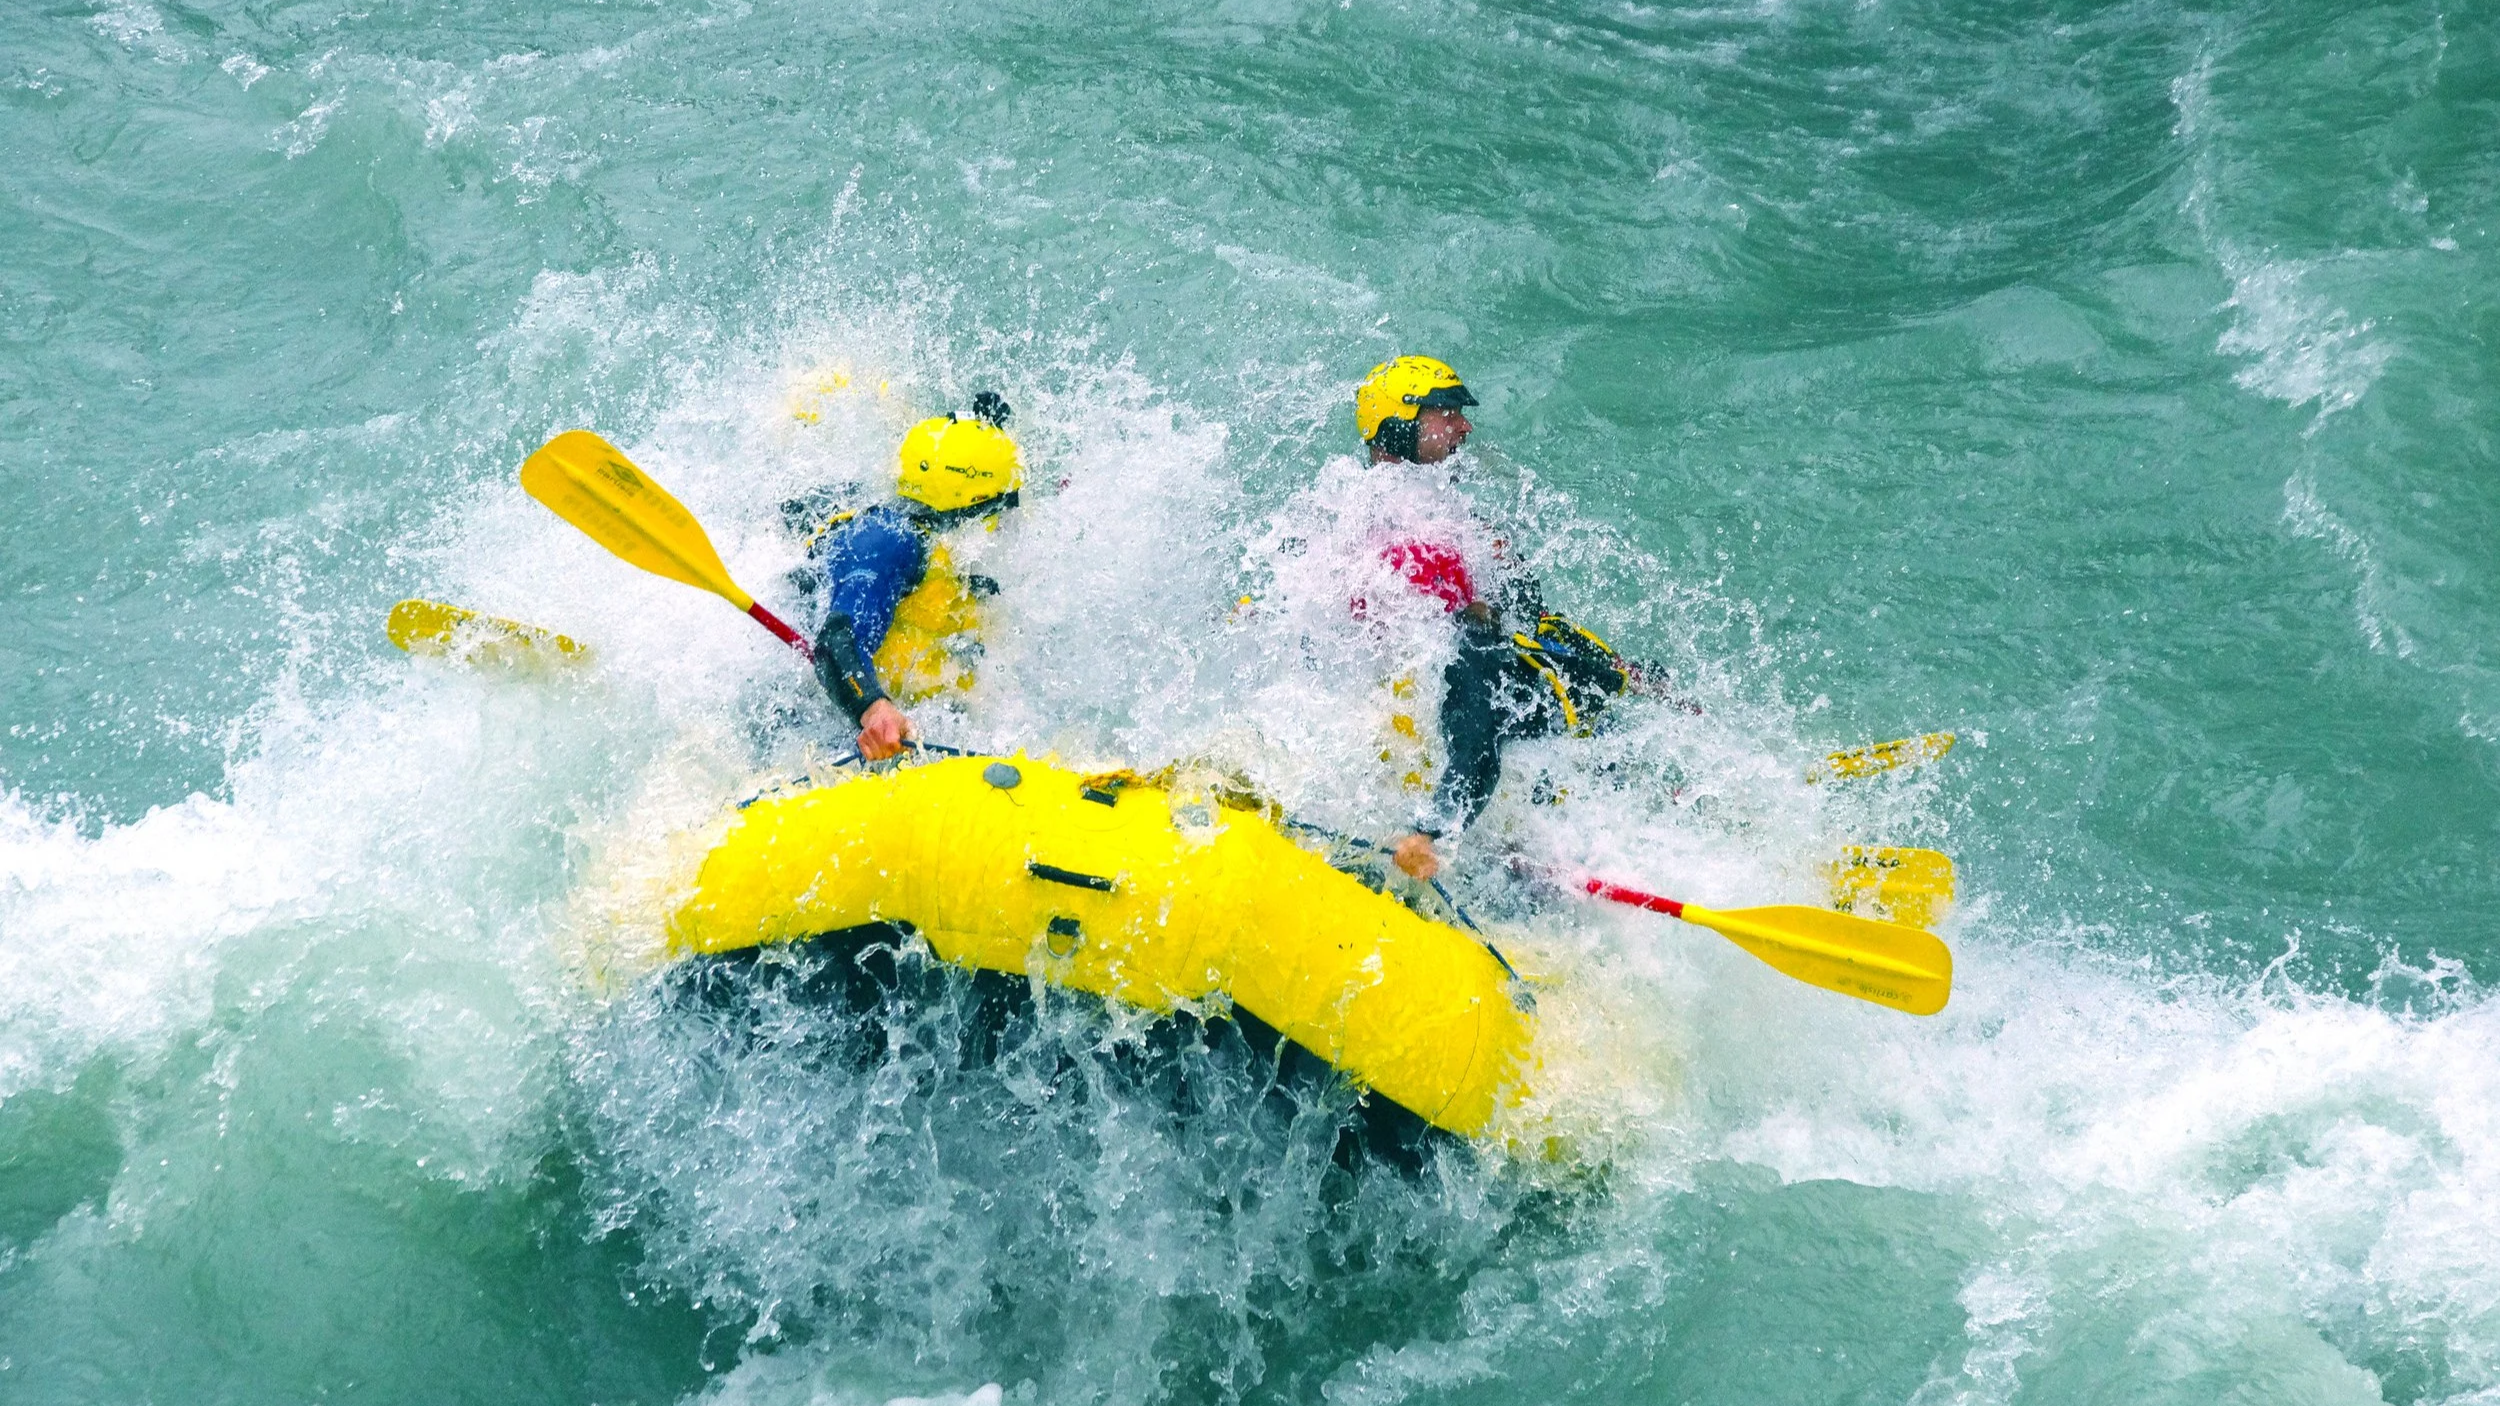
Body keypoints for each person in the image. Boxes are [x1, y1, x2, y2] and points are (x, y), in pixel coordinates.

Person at [1346, 356, 1638, 881]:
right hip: (1497, 736)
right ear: (1400, 420)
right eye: (1446, 412)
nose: (1464, 426)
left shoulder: (1361, 510)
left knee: (1595, 673)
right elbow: (1474, 704)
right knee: (1591, 705)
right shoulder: (1419, 548)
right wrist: (1430, 832)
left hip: (1463, 699)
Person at [786, 392, 1022, 761]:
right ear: (973, 504)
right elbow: (835, 643)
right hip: (819, 719)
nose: (1010, 521)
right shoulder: (886, 541)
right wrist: (874, 709)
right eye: (1005, 507)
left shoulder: (954, 550)